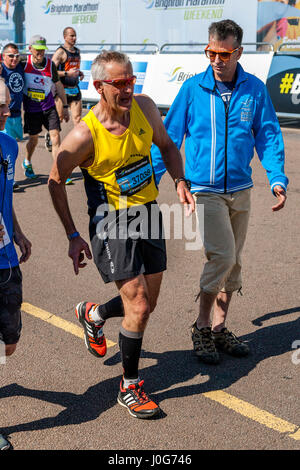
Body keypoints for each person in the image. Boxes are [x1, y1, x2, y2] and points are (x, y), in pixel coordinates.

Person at [48, 50, 194, 419]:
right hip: (110, 221)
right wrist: (72, 235)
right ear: (98, 87)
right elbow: (54, 181)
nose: (129, 89)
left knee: (148, 302)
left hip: (148, 213)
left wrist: (179, 181)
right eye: (120, 83)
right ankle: (130, 387)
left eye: (131, 81)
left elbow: (168, 146)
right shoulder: (84, 136)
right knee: (139, 305)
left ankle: (94, 314)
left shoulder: (145, 107)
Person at [151, 19, 288, 364]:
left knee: (235, 263)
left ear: (238, 52)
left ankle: (219, 328)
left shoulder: (254, 90)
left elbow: (268, 135)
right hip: (205, 190)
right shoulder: (193, 90)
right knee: (222, 257)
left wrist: (277, 178)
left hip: (241, 189)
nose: (216, 59)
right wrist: (157, 179)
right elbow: (168, 138)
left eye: (224, 53)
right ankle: (200, 326)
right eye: (211, 52)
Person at [0, 78, 31, 450]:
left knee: (10, 342)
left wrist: (18, 233)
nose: (8, 112)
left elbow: (7, 198)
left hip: (7, 261)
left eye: (8, 104)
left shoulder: (8, 145)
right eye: (1, 107)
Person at [21, 35, 70, 181]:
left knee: (55, 138)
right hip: (32, 110)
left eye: (42, 50)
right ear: (30, 49)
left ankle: (58, 170)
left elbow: (59, 86)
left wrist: (65, 106)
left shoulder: (50, 65)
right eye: (37, 50)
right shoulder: (23, 63)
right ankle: (27, 162)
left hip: (49, 107)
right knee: (34, 140)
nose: (40, 53)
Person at [0, 42, 25, 189]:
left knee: (13, 145)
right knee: (5, 145)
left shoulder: (21, 67)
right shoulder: (1, 70)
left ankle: (12, 172)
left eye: (17, 56)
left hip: (16, 113)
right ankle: (10, 177)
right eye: (10, 56)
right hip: (4, 114)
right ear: (3, 57)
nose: (14, 59)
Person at [52, 27, 84, 127]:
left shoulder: (77, 51)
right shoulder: (60, 52)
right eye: (72, 36)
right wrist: (67, 74)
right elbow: (51, 71)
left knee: (77, 118)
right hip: (62, 90)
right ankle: (51, 137)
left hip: (74, 89)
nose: (74, 38)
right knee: (59, 118)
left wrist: (79, 73)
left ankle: (78, 142)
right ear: (65, 37)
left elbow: (73, 68)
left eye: (75, 36)